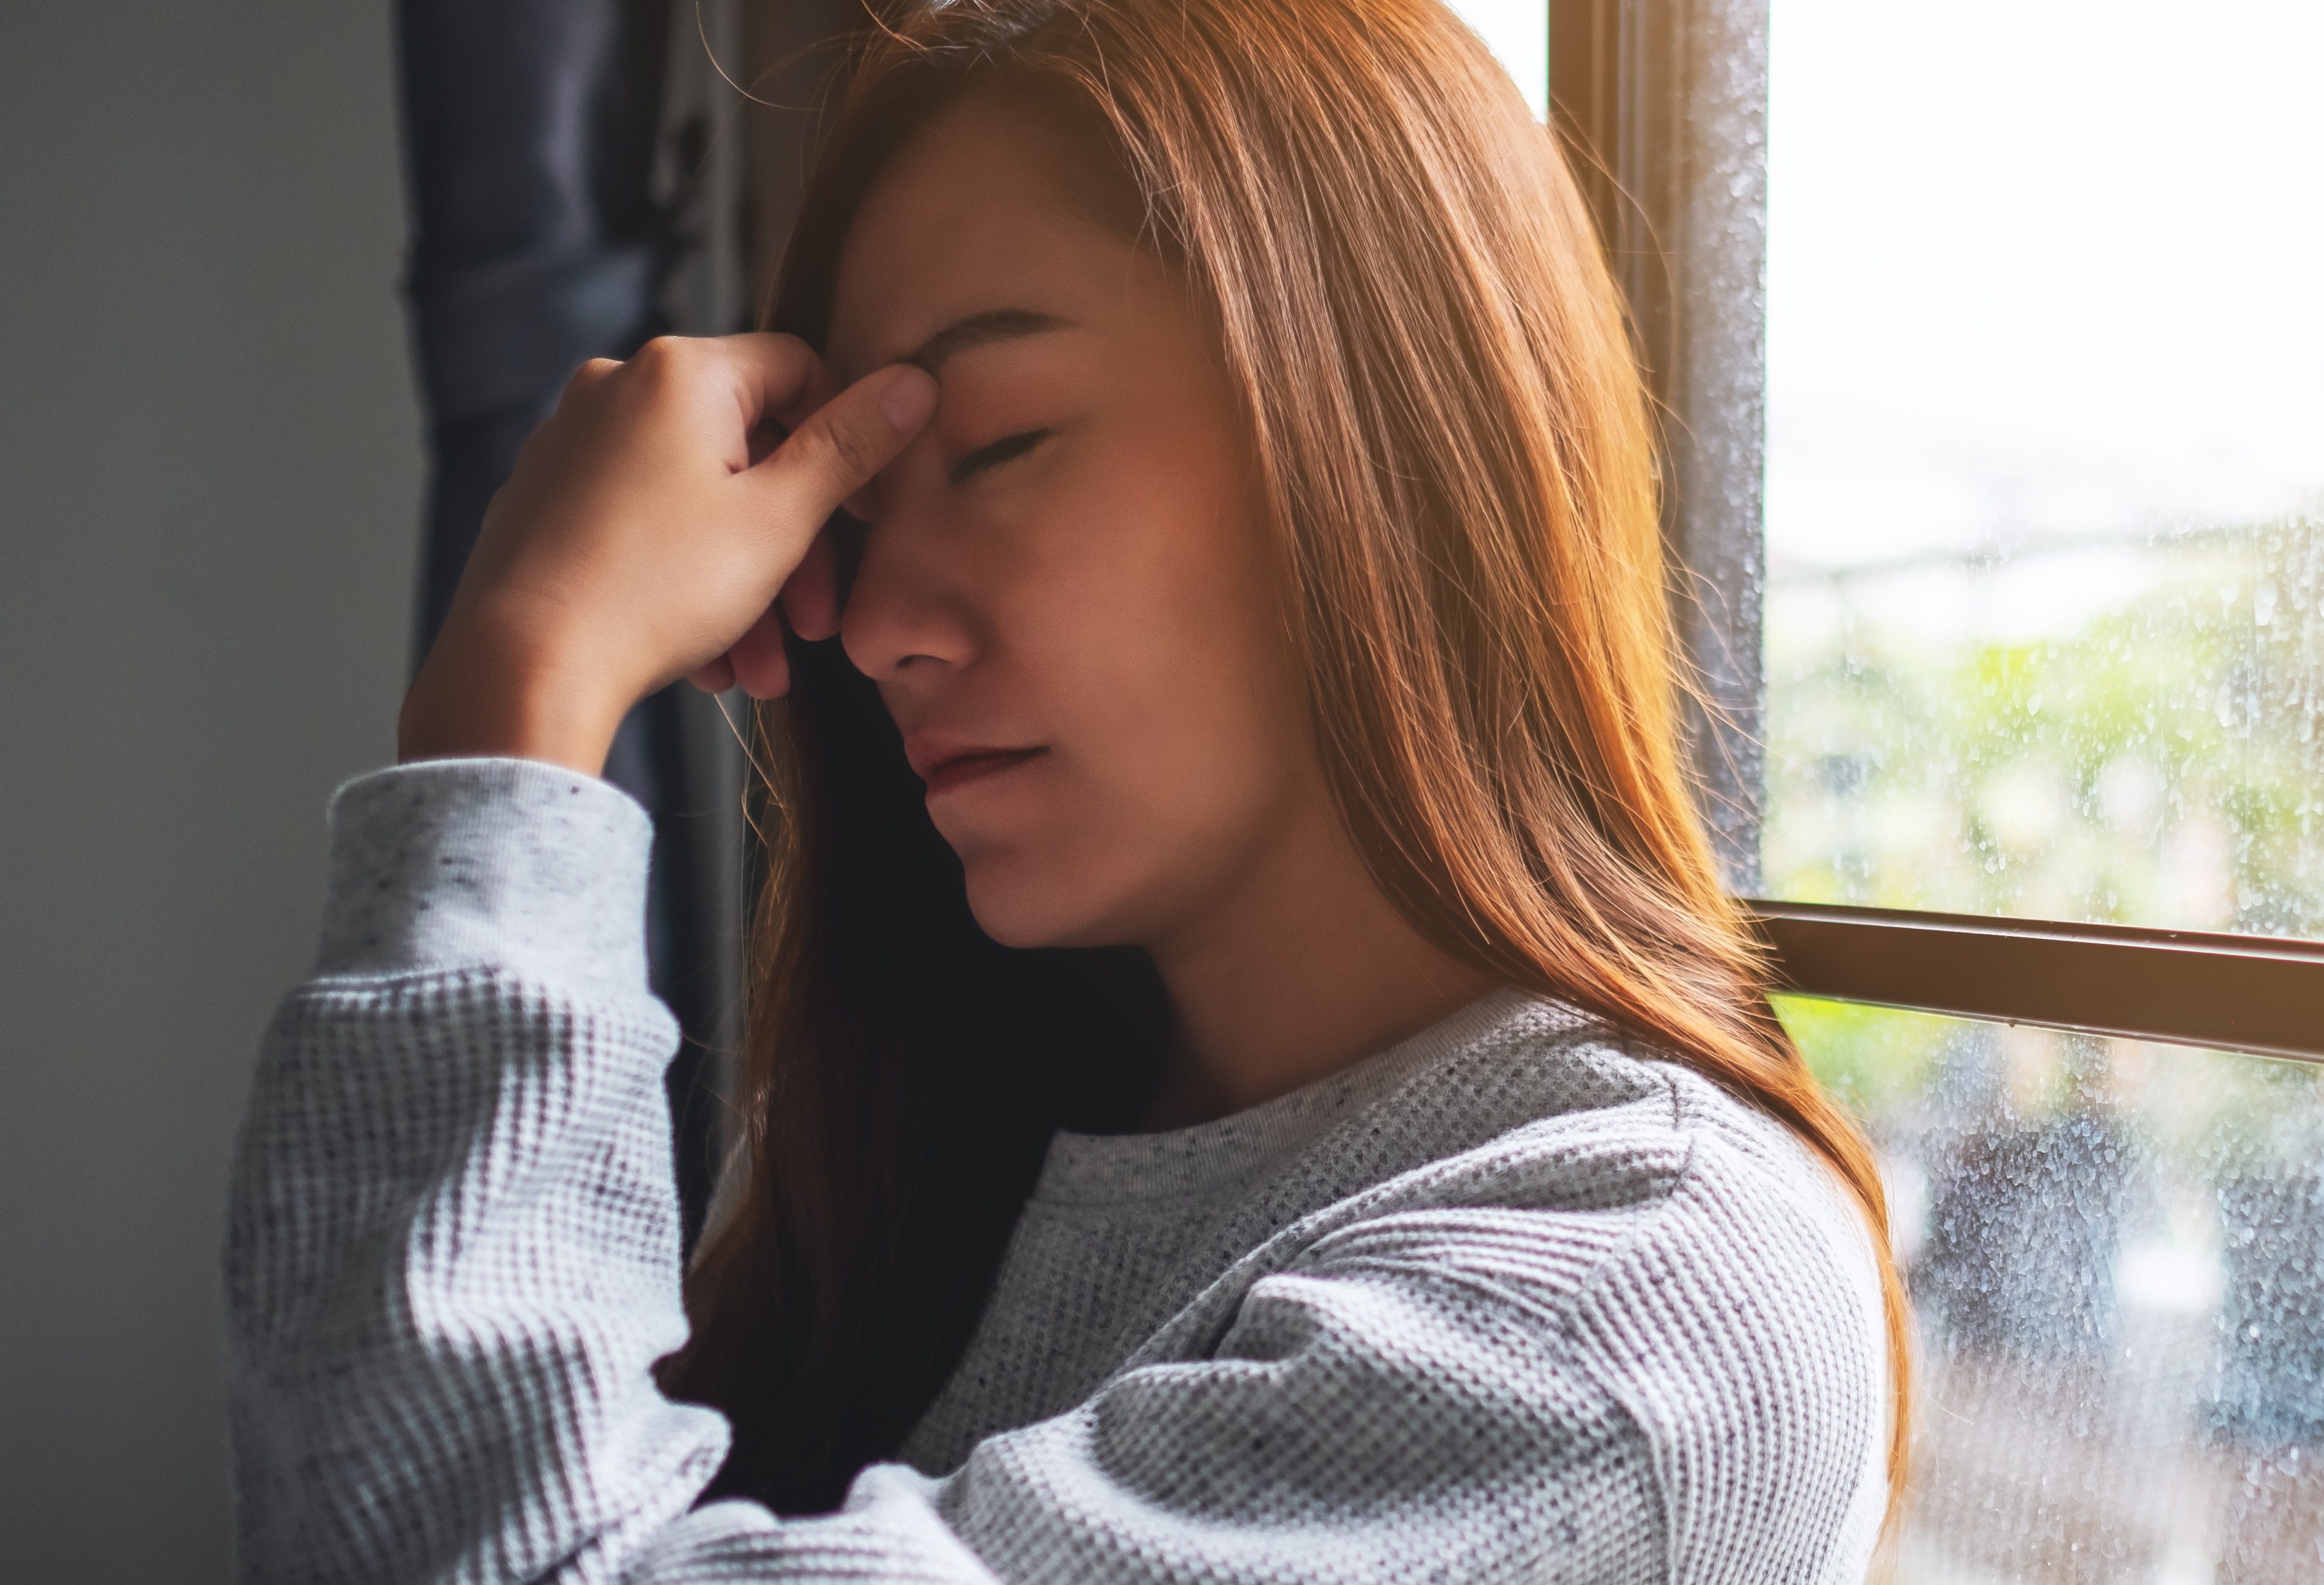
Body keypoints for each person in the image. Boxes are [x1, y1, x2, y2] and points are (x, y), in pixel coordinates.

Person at [221, 2, 1903, 1579]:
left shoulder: (1626, 1301)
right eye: (857, 519)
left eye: (1008, 442)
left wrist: (515, 695)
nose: (874, 628)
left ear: (1370, 427)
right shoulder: (927, 1140)